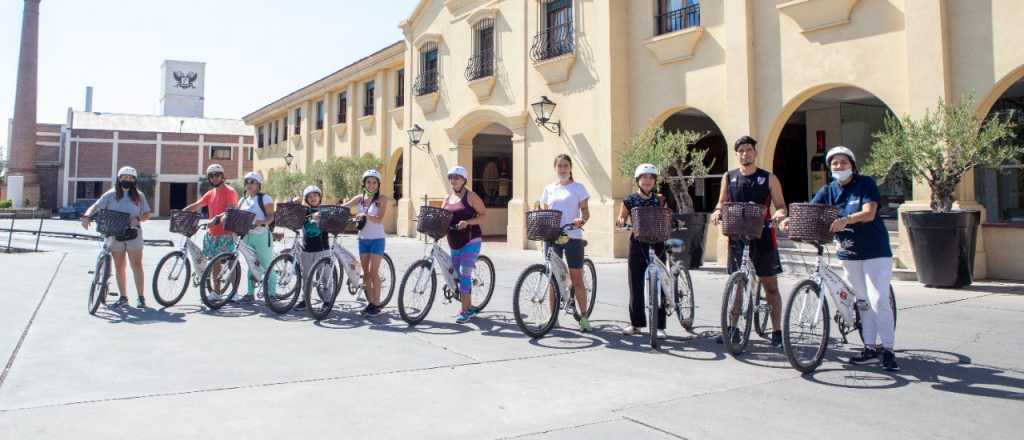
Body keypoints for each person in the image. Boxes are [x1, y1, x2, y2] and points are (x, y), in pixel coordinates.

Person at [782, 146, 899, 371]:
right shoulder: (828, 190)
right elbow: (810, 209)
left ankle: (888, 350)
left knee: (878, 300)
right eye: (835, 163)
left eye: (843, 162)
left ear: (852, 165)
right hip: (849, 253)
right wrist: (790, 219)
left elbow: (869, 212)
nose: (839, 166)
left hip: (875, 251)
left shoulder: (865, 183)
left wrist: (847, 220)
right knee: (862, 302)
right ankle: (869, 348)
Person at [710, 136, 788, 347]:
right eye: (741, 150)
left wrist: (779, 215)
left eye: (749, 150)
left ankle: (777, 332)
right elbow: (721, 202)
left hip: (763, 237)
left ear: (755, 153)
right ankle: (733, 329)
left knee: (770, 286)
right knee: (737, 284)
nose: (745, 154)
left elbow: (781, 206)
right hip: (737, 236)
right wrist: (717, 211)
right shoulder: (729, 177)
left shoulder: (769, 178)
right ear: (736, 155)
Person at [81, 166, 152, 308]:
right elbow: (95, 206)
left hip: (133, 234)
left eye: (131, 178)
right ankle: (123, 297)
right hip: (114, 234)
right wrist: (87, 216)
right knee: (120, 266)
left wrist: (138, 219)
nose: (127, 180)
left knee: (136, 265)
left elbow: (147, 214)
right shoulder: (110, 194)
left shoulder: (139, 195)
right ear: (119, 179)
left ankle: (141, 297)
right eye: (124, 177)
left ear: (134, 180)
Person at [539, 154, 592, 332]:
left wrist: (581, 220)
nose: (562, 169)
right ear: (555, 168)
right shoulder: (548, 189)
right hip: (552, 236)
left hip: (572, 236)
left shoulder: (578, 188)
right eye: (559, 166)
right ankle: (553, 318)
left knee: (576, 279)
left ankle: (584, 318)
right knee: (553, 278)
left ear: (570, 168)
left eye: (565, 165)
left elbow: (585, 212)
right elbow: (544, 212)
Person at [616, 164, 668, 339]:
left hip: (658, 242)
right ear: (638, 180)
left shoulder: (660, 199)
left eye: (651, 177)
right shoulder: (629, 200)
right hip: (638, 244)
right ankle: (636, 324)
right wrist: (621, 221)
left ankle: (660, 326)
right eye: (644, 177)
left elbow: (668, 217)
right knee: (635, 283)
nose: (647, 180)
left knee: (660, 284)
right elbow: (622, 217)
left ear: (655, 181)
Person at [442, 166, 488, 324]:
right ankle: (469, 306)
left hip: (471, 239)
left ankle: (465, 311)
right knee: (456, 275)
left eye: (457, 177)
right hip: (453, 241)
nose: (453, 180)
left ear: (464, 180)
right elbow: (442, 217)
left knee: (464, 273)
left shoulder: (471, 196)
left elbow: (484, 215)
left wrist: (468, 222)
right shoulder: (447, 198)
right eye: (451, 177)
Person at [341, 170, 389, 317]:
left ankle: (377, 304)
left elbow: (379, 219)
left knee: (373, 272)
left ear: (378, 184)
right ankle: (370, 303)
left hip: (377, 239)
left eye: (374, 182)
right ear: (364, 183)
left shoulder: (382, 199)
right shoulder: (360, 198)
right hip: (363, 239)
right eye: (368, 182)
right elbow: (344, 206)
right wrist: (329, 210)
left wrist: (365, 215)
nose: (371, 185)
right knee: (366, 274)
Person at [184, 164, 239, 293]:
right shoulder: (211, 193)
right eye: (211, 176)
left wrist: (217, 219)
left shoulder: (230, 191)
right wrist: (182, 212)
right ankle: (217, 292)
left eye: (217, 175)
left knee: (229, 262)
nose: (214, 178)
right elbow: (197, 205)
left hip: (226, 233)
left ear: (222, 176)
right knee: (215, 264)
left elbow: (230, 211)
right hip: (212, 233)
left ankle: (234, 292)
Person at [235, 171, 275, 303]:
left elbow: (271, 217)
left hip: (261, 235)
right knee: (251, 264)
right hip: (247, 235)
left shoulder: (265, 198)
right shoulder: (243, 200)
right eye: (247, 182)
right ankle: (250, 294)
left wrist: (261, 222)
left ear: (258, 185)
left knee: (267, 264)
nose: (249, 184)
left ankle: (272, 294)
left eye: (253, 182)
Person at [295, 185, 332, 310]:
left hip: (322, 248)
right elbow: (293, 213)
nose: (313, 198)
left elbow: (333, 220)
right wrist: (294, 201)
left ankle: (327, 300)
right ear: (306, 199)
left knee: (325, 276)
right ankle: (305, 300)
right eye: (309, 196)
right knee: (306, 276)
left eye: (315, 195)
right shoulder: (304, 211)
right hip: (307, 248)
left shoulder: (325, 210)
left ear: (320, 197)